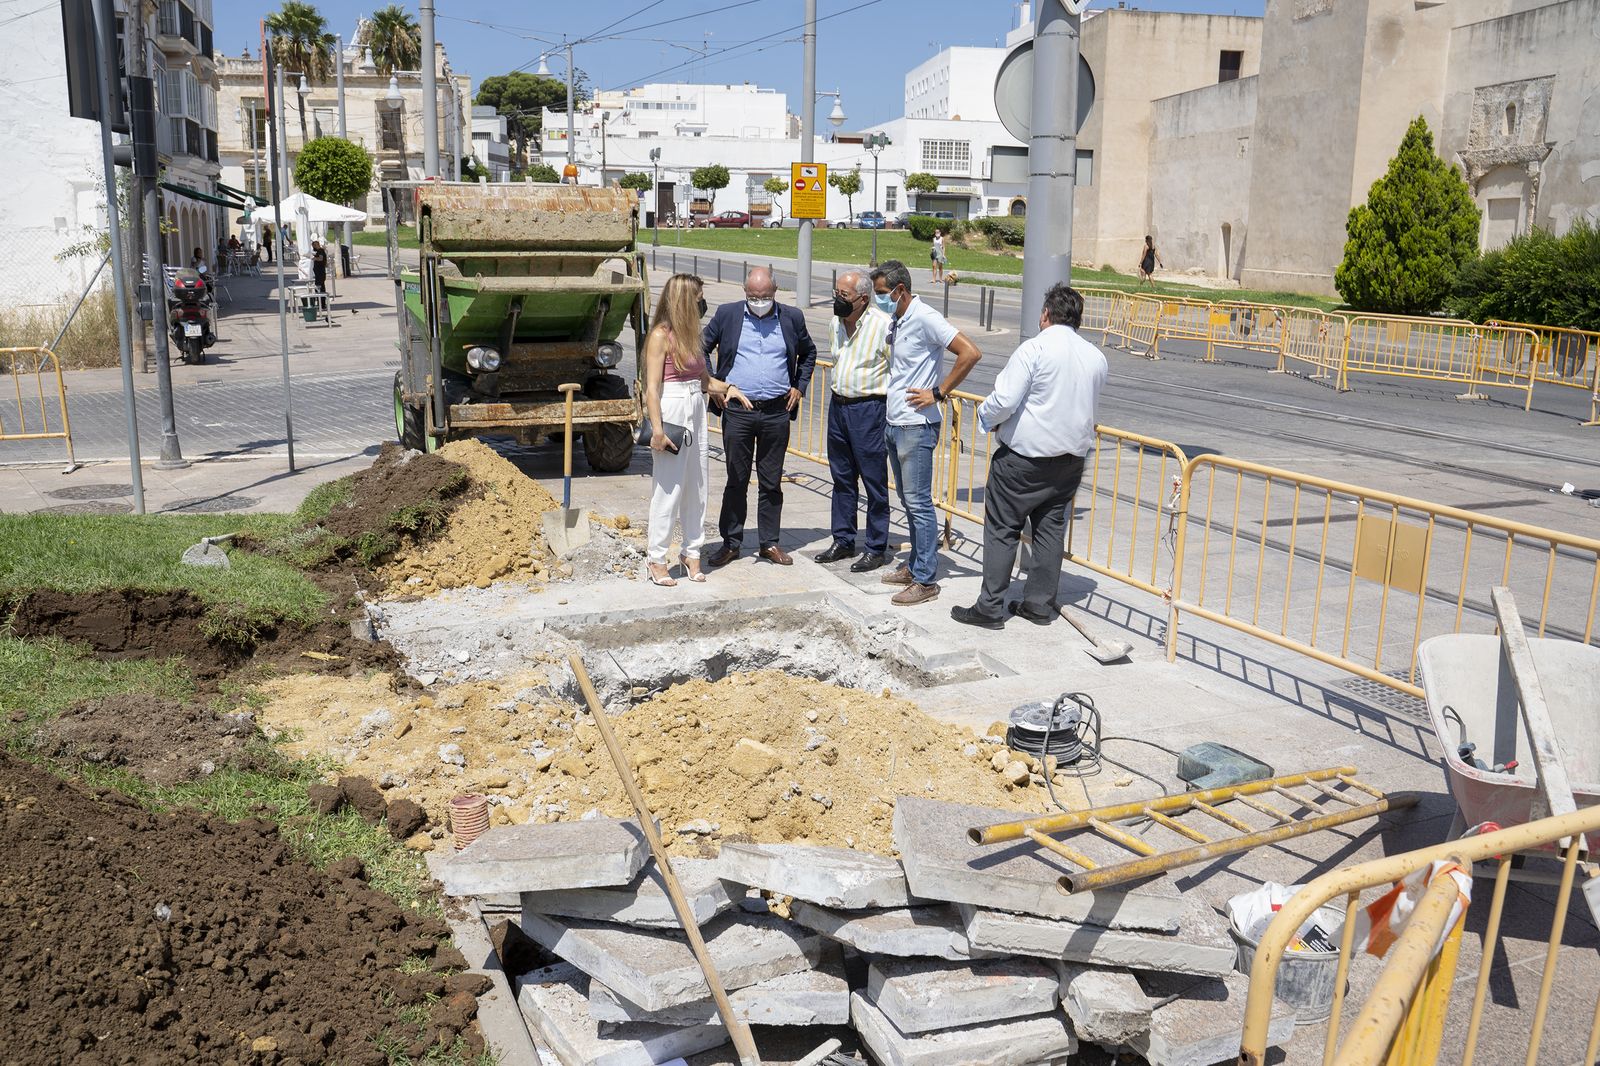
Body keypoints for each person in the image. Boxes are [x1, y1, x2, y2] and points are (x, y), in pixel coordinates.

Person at [950, 284, 1108, 630]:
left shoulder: (1034, 349)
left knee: (1002, 528)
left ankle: (989, 607)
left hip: (1023, 461)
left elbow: (1004, 400)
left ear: (1046, 314)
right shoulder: (1096, 356)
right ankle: (1039, 604)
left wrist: (986, 419)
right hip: (1070, 461)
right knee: (1050, 531)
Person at [869, 259, 982, 606]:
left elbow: (970, 352)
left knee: (919, 503)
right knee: (908, 499)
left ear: (901, 290)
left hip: (916, 425)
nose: (879, 300)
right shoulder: (898, 319)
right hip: (896, 421)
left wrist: (938, 391)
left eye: (882, 294)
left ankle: (926, 579)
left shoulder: (924, 317)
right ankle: (916, 564)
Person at [701, 267, 818, 568]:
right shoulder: (728, 315)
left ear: (775, 292)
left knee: (771, 481)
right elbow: (700, 348)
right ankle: (731, 543)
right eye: (753, 297)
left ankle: (769, 543)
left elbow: (808, 352)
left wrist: (800, 387)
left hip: (777, 412)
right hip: (739, 411)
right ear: (744, 293)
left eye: (764, 297)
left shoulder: (791, 318)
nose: (759, 301)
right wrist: (713, 385)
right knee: (736, 479)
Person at [643, 273, 751, 586]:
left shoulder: (692, 334)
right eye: (699, 296)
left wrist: (729, 387)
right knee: (669, 488)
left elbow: (703, 381)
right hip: (673, 406)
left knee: (697, 486)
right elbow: (652, 388)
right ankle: (656, 557)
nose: (702, 302)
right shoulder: (661, 336)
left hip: (696, 404)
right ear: (684, 300)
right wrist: (658, 431)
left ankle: (692, 551)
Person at [815, 270, 893, 571]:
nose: (837, 299)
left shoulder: (883, 326)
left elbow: (897, 369)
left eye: (843, 296)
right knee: (842, 478)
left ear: (862, 299)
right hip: (839, 408)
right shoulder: (835, 323)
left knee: (874, 482)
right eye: (836, 292)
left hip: (869, 410)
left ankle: (875, 547)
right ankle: (844, 540)